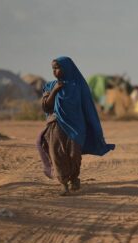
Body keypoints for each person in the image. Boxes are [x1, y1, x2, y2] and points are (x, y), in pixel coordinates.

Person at [37, 56, 115, 196]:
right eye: (53, 69)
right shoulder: (50, 86)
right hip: (56, 125)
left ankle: (74, 178)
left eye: (57, 68)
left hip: (77, 127)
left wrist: (92, 127)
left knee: (74, 155)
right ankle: (63, 184)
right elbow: (46, 107)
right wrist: (55, 90)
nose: (55, 71)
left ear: (67, 68)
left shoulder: (79, 86)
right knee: (58, 154)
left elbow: (88, 108)